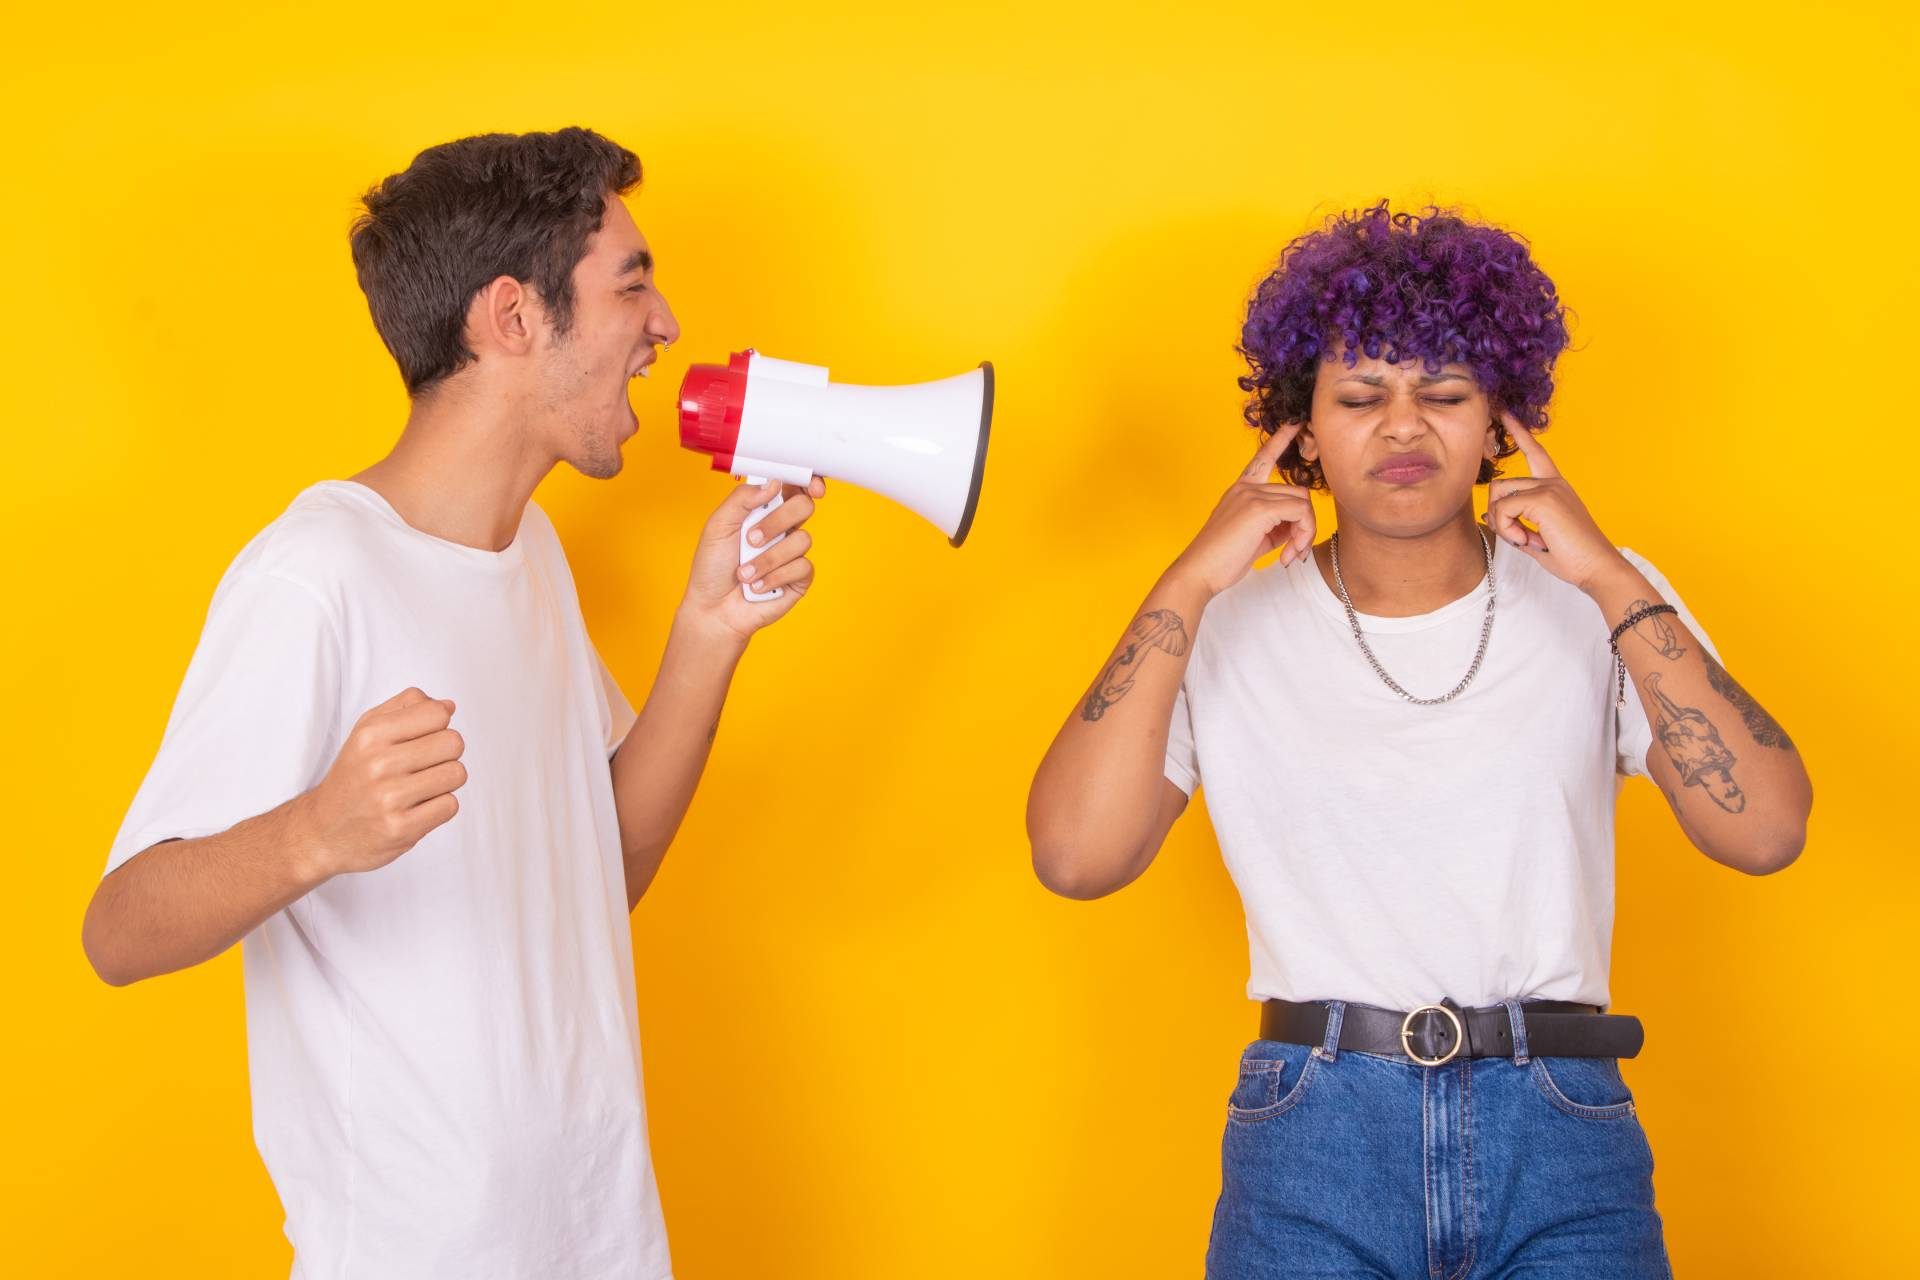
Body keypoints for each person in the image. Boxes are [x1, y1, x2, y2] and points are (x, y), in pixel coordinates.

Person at [80, 127, 820, 1279]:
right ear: (514, 318)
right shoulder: (316, 571)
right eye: (633, 283)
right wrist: (317, 831)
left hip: (604, 1244)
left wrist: (707, 633)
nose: (665, 325)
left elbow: (603, 862)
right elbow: (119, 926)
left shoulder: (527, 557)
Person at [1027, 200, 1812, 1277]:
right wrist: (1189, 577)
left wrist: (1610, 575)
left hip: (1563, 1129)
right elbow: (1076, 856)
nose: (1403, 426)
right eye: (1360, 396)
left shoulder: (1600, 603)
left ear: (1500, 423)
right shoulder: (1221, 625)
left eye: (1443, 393)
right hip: (1314, 1134)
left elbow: (1765, 827)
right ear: (1299, 427)